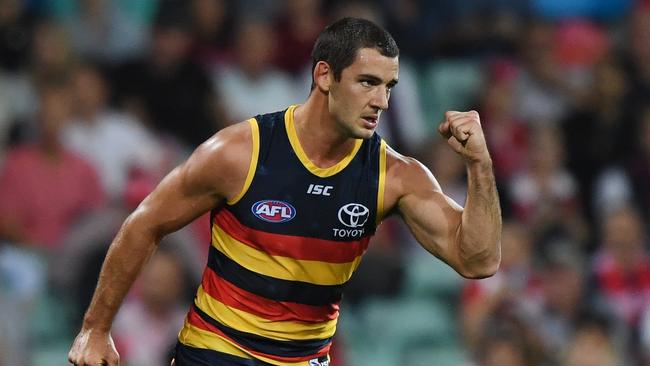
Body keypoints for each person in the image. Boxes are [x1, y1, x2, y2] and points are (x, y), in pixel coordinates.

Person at [68, 17, 502, 366]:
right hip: (217, 351)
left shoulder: (395, 175)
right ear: (324, 75)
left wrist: (480, 165)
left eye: (388, 86)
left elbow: (477, 259)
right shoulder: (240, 153)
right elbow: (146, 223)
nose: (382, 102)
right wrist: (96, 329)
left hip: (305, 360)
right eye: (367, 82)